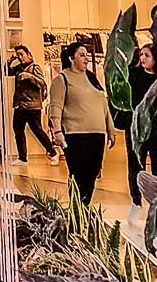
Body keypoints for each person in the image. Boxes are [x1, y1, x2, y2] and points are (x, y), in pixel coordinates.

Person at [49, 39, 115, 205]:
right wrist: (57, 131)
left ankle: (85, 207)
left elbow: (103, 104)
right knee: (78, 174)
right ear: (71, 58)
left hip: (97, 134)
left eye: (86, 55)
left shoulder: (92, 78)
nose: (86, 58)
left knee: (92, 174)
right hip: (75, 134)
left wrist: (110, 129)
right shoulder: (62, 79)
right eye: (82, 55)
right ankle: (76, 210)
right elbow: (55, 107)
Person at [117, 39, 157, 217]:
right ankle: (136, 201)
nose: (142, 58)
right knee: (135, 164)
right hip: (135, 128)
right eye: (141, 55)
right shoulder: (133, 75)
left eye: (146, 55)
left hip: (156, 129)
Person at [4, 43, 56, 163]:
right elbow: (6, 72)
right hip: (20, 105)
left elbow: (42, 83)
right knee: (18, 130)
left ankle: (52, 152)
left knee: (37, 130)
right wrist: (10, 61)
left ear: (29, 55)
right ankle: (22, 157)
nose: (20, 57)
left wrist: (30, 77)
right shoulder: (18, 68)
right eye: (18, 55)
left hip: (32, 106)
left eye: (22, 54)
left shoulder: (35, 68)